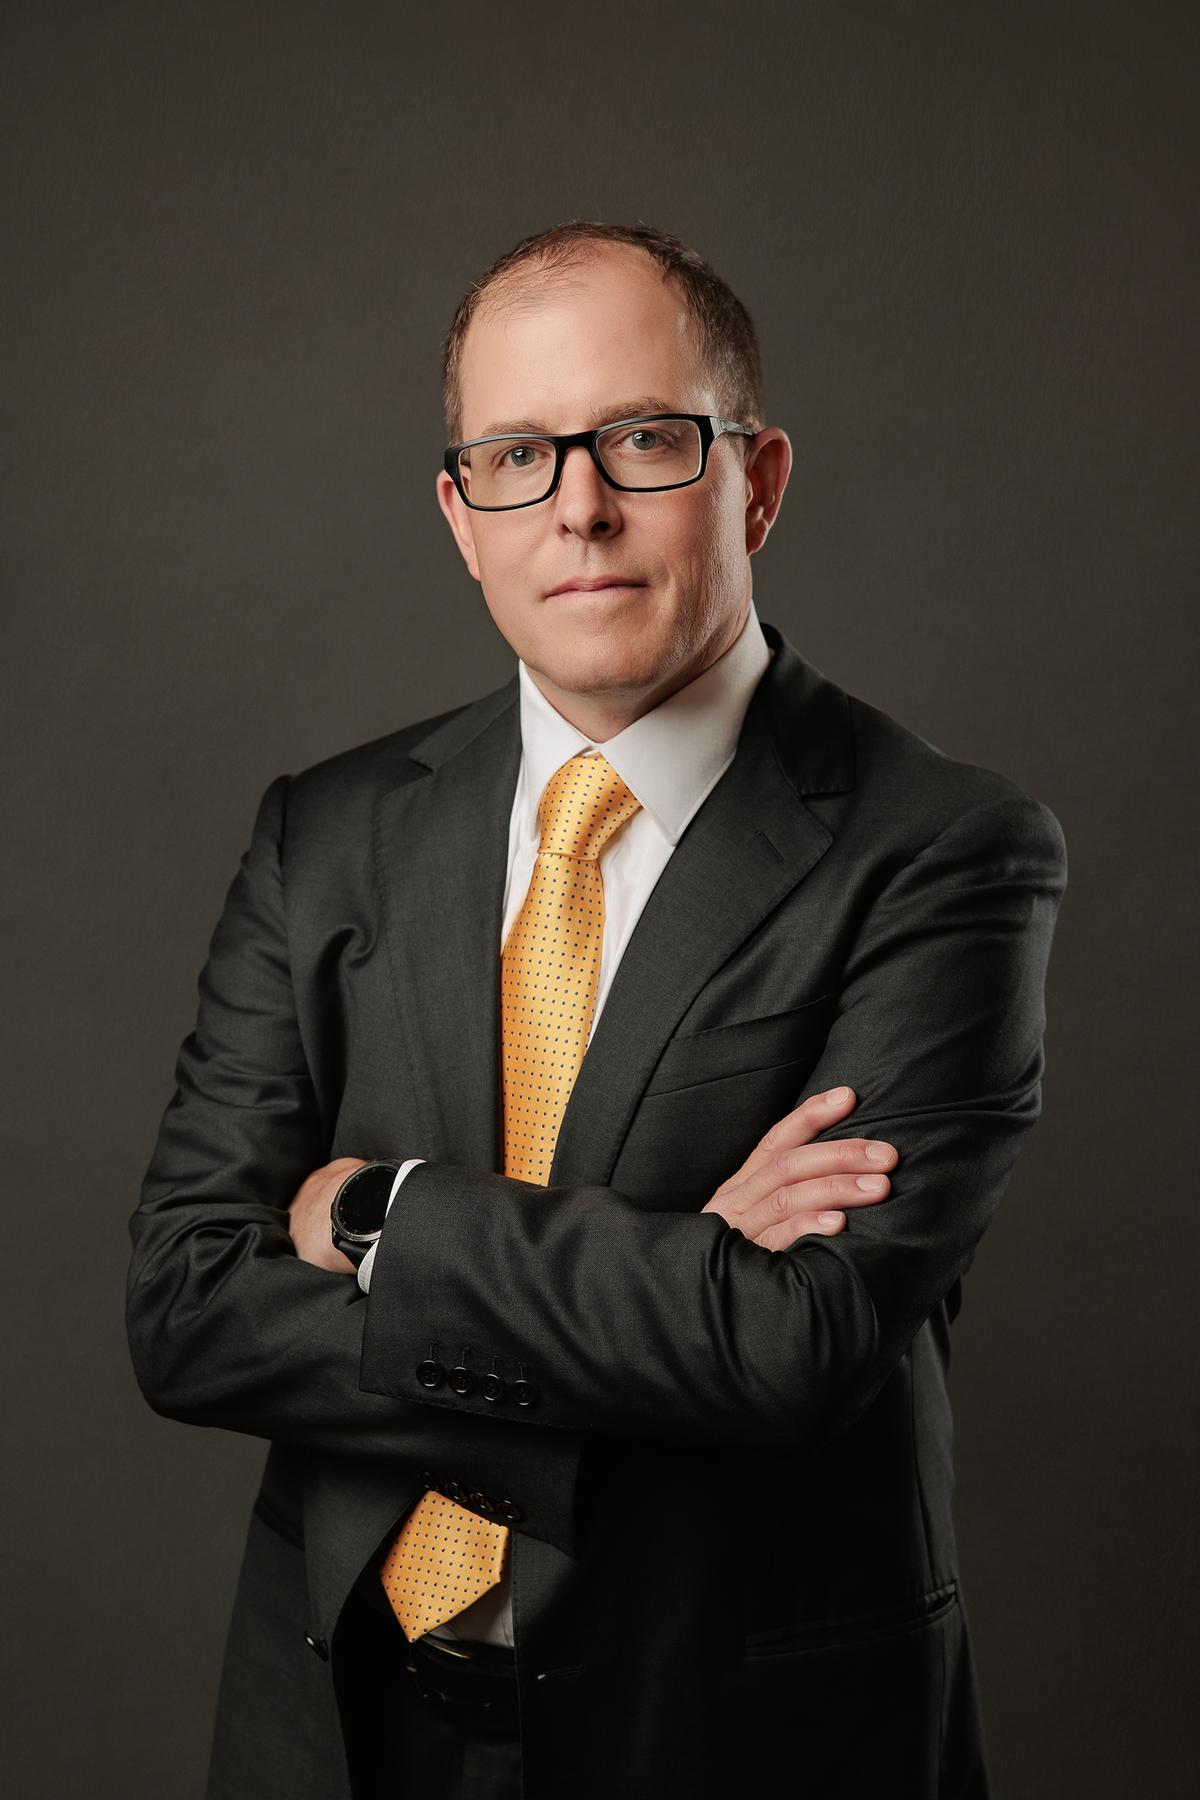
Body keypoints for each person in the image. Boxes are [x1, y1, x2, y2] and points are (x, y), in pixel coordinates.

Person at [126, 220, 1068, 1800]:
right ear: (459, 517)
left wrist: (377, 1217)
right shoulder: (330, 830)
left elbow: (797, 1345)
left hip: (731, 1736)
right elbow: (184, 1308)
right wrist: (685, 1276)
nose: (578, 503)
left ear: (755, 478)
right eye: (516, 454)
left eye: (641, 437)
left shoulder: (944, 849)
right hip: (340, 1721)